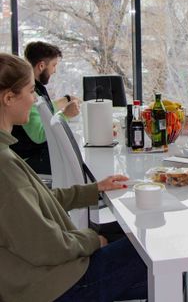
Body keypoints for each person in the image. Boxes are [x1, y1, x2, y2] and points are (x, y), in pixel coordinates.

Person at [0, 53, 147, 302]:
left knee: (135, 245)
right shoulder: (4, 166)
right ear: (8, 98)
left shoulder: (6, 153)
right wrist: (94, 239)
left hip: (42, 275)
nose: (34, 98)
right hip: (52, 286)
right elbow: (46, 247)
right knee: (148, 246)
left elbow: (40, 200)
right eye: (29, 91)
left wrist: (95, 188)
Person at [11, 41, 80, 175]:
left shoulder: (35, 87)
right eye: (53, 65)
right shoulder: (29, 93)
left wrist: (66, 100)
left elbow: (43, 110)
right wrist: (65, 115)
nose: (55, 71)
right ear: (41, 66)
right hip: (28, 160)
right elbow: (40, 135)